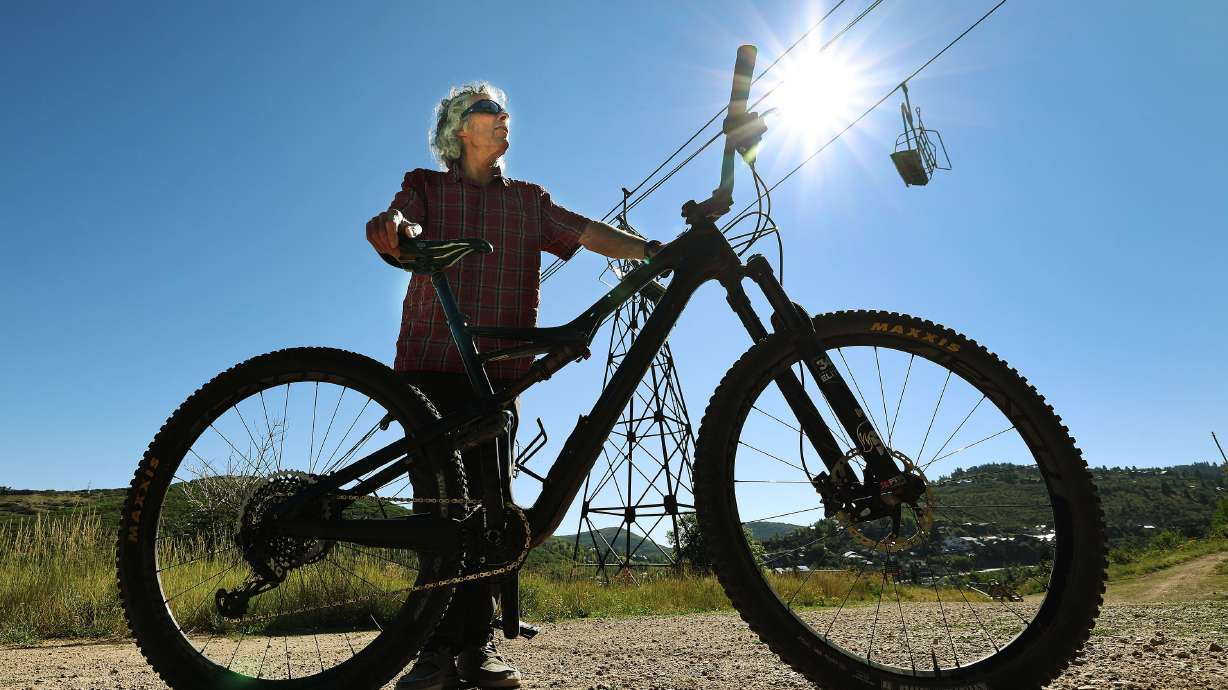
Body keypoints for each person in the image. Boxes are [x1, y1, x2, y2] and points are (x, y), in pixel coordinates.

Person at [365, 83, 658, 690]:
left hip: (496, 373)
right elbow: (403, 217)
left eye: (504, 114)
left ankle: (473, 649)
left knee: (489, 514)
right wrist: (392, 226)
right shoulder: (427, 185)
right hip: (429, 362)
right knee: (443, 512)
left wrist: (651, 250)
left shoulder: (528, 201)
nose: (502, 121)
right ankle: (433, 654)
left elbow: (584, 232)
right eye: (487, 113)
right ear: (458, 128)